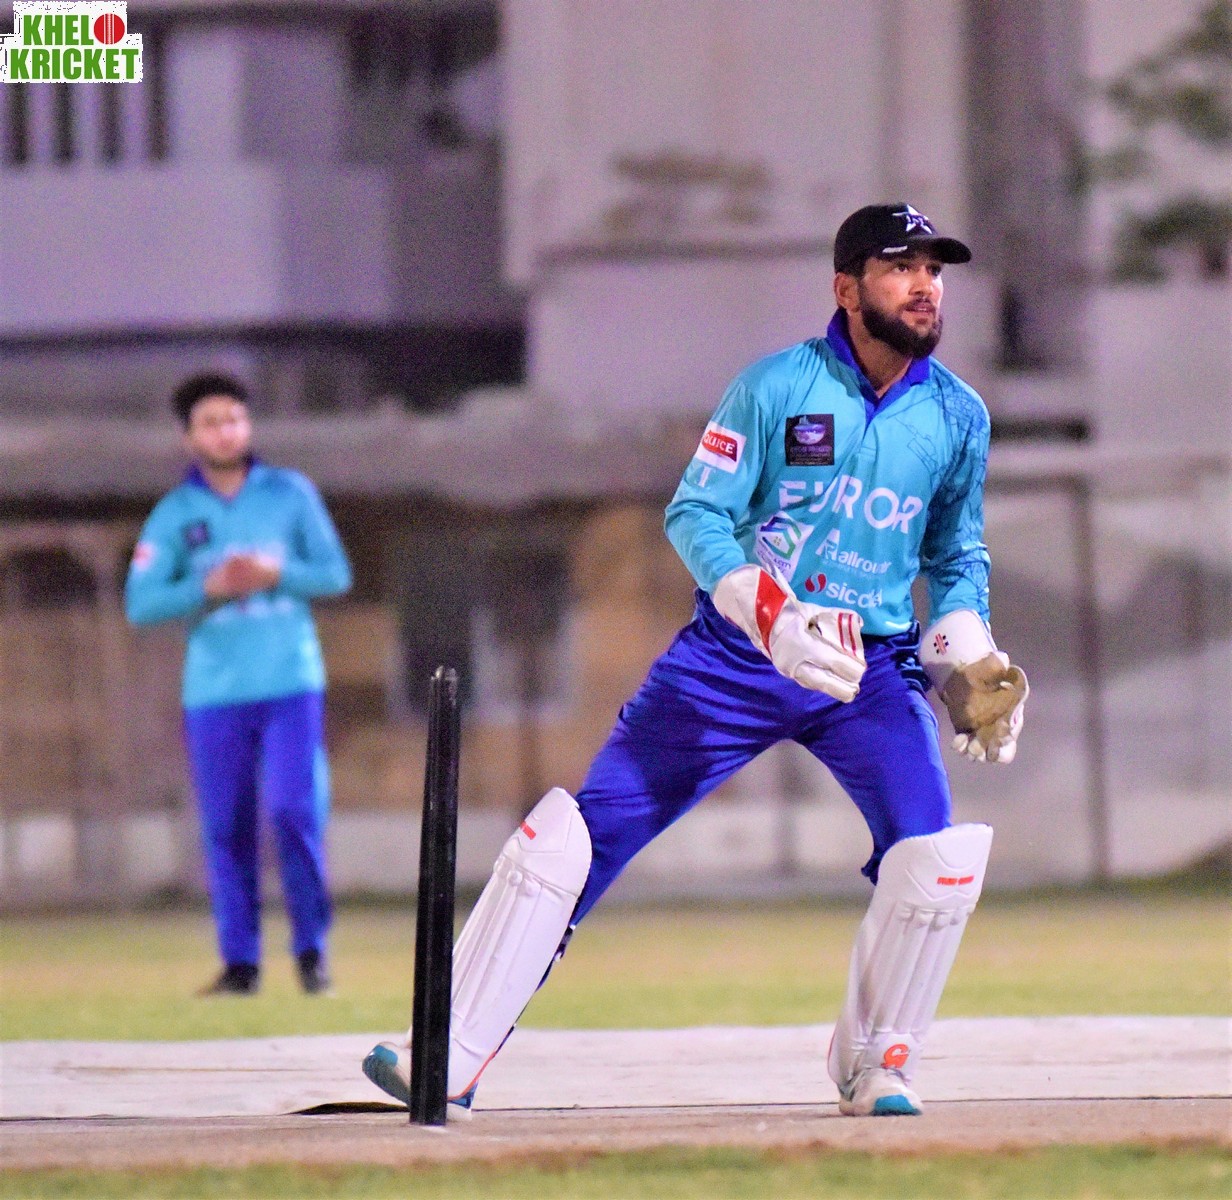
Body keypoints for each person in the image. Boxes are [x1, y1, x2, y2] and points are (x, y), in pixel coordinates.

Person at [363, 203, 1028, 1115]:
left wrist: (967, 655)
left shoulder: (958, 414)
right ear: (846, 288)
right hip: (734, 662)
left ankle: (878, 1063)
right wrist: (769, 611)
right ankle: (448, 1053)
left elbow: (956, 555)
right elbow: (697, 513)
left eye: (934, 271)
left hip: (868, 670)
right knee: (581, 837)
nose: (924, 287)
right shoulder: (775, 388)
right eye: (899, 267)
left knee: (934, 856)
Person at [126, 373, 353, 996]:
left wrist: (276, 573)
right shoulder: (176, 514)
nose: (226, 432)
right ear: (188, 436)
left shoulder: (289, 492)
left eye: (235, 418)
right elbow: (140, 604)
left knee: (293, 812)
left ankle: (312, 953)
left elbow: (335, 575)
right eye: (211, 422)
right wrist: (207, 587)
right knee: (227, 826)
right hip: (214, 691)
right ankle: (241, 965)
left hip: (290, 682)